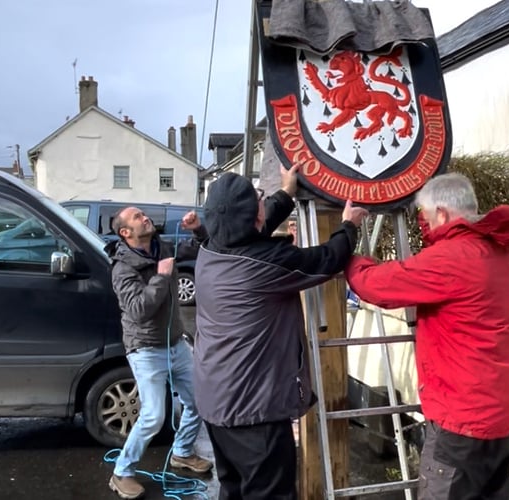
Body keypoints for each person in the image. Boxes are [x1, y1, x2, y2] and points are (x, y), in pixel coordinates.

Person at [344, 172, 509, 500]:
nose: (424, 224)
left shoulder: (452, 258)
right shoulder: (499, 252)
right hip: (501, 417)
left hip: (461, 422)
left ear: (441, 213)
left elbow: (376, 285)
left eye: (426, 216)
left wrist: (347, 245)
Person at [193, 163, 368, 500]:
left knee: (234, 489)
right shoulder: (266, 263)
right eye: (260, 198)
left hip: (215, 401)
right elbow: (327, 259)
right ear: (254, 218)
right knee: (270, 493)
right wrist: (348, 225)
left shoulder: (209, 249)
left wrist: (286, 194)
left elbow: (253, 226)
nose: (263, 202)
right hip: (253, 410)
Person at [105, 207, 213, 500]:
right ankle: (121, 472)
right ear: (126, 233)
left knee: (199, 401)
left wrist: (197, 229)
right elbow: (139, 310)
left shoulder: (161, 247)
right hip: (145, 349)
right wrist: (162, 278)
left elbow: (202, 248)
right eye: (138, 217)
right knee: (153, 416)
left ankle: (182, 453)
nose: (145, 218)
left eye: (143, 214)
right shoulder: (122, 268)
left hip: (176, 344)